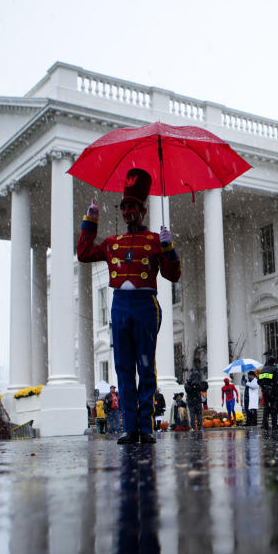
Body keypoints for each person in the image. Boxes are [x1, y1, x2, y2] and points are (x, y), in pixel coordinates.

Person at [77, 168, 181, 445]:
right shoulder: (113, 243)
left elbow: (173, 275)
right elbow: (84, 253)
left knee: (145, 367)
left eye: (132, 207)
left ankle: (145, 427)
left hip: (145, 304)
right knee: (123, 367)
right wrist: (91, 220)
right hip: (120, 306)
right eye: (124, 207)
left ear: (143, 211)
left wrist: (169, 248)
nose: (127, 212)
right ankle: (129, 426)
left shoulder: (154, 241)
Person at [258, 354, 278, 429]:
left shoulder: (263, 370)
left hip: (265, 392)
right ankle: (274, 424)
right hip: (273, 391)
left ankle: (265, 425)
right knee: (274, 408)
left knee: (266, 408)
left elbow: (259, 381)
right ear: (274, 362)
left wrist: (263, 386)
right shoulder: (275, 369)